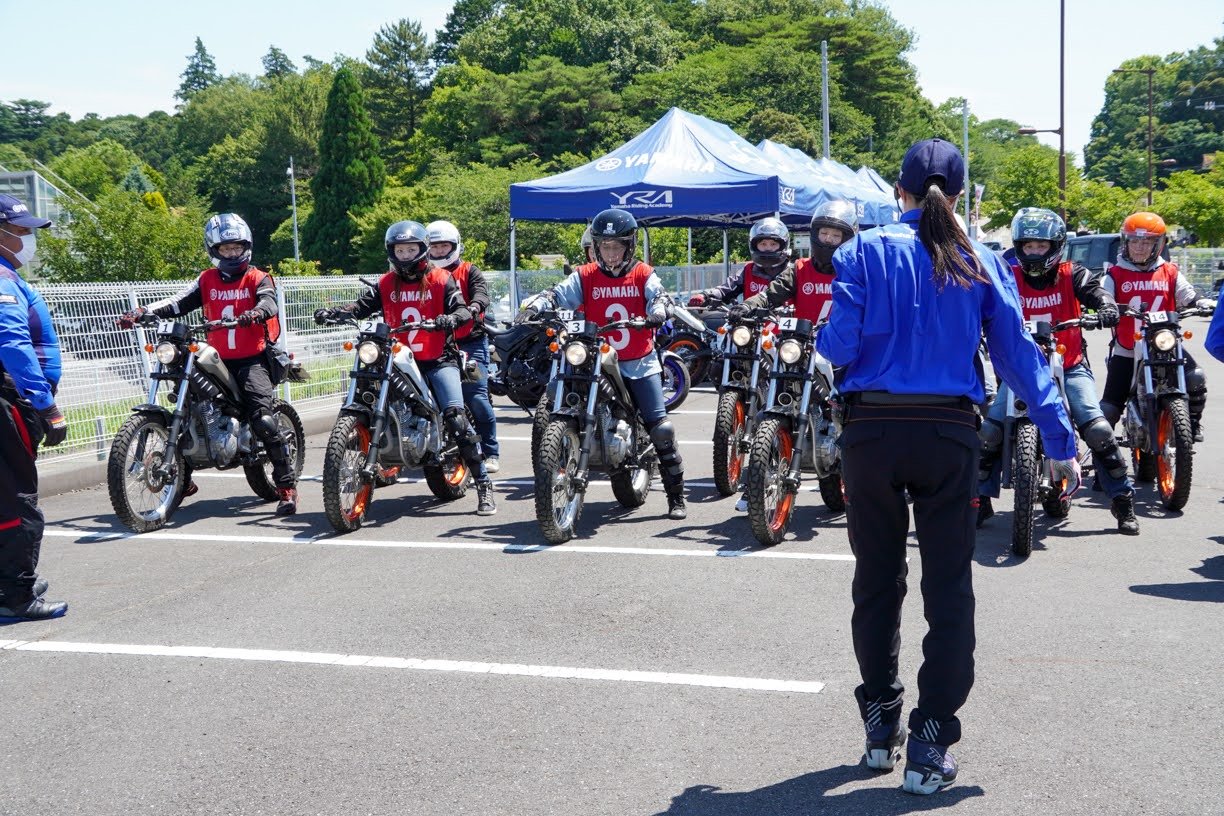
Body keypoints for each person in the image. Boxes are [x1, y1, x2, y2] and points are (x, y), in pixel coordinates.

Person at [816, 138, 1078, 795]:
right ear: (960, 197)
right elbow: (1019, 357)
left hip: (870, 432)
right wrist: (1063, 442)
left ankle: (881, 722)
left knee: (877, 580)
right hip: (949, 433)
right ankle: (931, 741)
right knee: (948, 588)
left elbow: (836, 345)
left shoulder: (862, 252)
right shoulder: (981, 260)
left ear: (897, 191)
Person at [119, 214, 299, 515]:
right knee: (188, 404)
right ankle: (181, 480)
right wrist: (141, 311)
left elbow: (269, 302)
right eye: (225, 248)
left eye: (236, 247)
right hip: (215, 358)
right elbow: (178, 303)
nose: (231, 253)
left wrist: (255, 313)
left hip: (251, 359)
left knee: (263, 418)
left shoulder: (258, 277)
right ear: (214, 250)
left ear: (246, 247)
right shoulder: (206, 280)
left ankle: (286, 486)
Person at [314, 220, 496, 515]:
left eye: (411, 248)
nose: (406, 254)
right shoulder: (386, 283)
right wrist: (335, 313)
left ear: (422, 250)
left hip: (438, 359)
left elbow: (462, 308)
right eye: (400, 249)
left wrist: (451, 319)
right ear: (391, 252)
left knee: (455, 415)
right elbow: (360, 307)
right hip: (396, 358)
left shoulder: (440, 279)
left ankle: (484, 485)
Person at [517, 208, 686, 519]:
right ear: (595, 247)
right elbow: (558, 294)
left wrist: (660, 308)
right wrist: (537, 305)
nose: (610, 253)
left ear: (629, 246)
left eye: (616, 246)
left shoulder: (643, 274)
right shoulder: (585, 275)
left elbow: (659, 295)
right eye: (604, 246)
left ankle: (676, 496)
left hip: (637, 360)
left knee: (659, 428)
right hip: (594, 356)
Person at [977, 207, 1138, 534]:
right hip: (1022, 369)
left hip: (1070, 365)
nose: (1035, 252)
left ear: (1056, 246)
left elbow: (1096, 291)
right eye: (1028, 246)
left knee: (1098, 430)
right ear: (1019, 246)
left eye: (1042, 246)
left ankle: (1123, 501)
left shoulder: (1072, 273)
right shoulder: (1008, 275)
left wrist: (1106, 307)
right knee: (989, 432)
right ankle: (980, 501)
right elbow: (984, 301)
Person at [725, 200, 859, 511]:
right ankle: (755, 484)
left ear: (847, 238)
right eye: (823, 234)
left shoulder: (855, 272)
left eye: (834, 236)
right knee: (770, 408)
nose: (827, 241)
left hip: (843, 354)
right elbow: (771, 293)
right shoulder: (798, 270)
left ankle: (860, 480)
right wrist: (747, 306)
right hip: (799, 350)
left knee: (856, 413)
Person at [0, 194, 69, 621]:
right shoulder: (2, 283)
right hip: (9, 401)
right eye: (22, 231)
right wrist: (45, 405)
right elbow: (12, 345)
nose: (29, 239)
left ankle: (8, 581)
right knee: (17, 500)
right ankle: (18, 595)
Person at [1100, 211, 1215, 443]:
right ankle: (1103, 458)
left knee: (1195, 378)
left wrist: (1200, 302)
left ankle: (1191, 423)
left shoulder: (1170, 271)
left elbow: (1188, 294)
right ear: (1126, 243)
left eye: (1147, 241)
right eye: (1134, 241)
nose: (1140, 247)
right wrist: (1105, 308)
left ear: (1159, 244)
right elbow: (1103, 296)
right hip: (1128, 347)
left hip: (1165, 343)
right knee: (1109, 407)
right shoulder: (1114, 273)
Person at [426, 220, 499, 474]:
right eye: (434, 247)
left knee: (476, 398)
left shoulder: (469, 271)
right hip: (433, 344)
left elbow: (481, 294)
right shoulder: (424, 275)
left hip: (470, 341)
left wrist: (475, 307)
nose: (439, 252)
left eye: (444, 246)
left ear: (455, 246)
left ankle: (490, 451)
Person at [686, 217, 791, 308]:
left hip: (790, 328)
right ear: (754, 246)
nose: (768, 248)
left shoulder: (792, 272)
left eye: (773, 244)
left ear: (783, 246)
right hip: (753, 327)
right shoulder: (749, 270)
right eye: (763, 244)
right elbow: (727, 288)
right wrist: (705, 296)